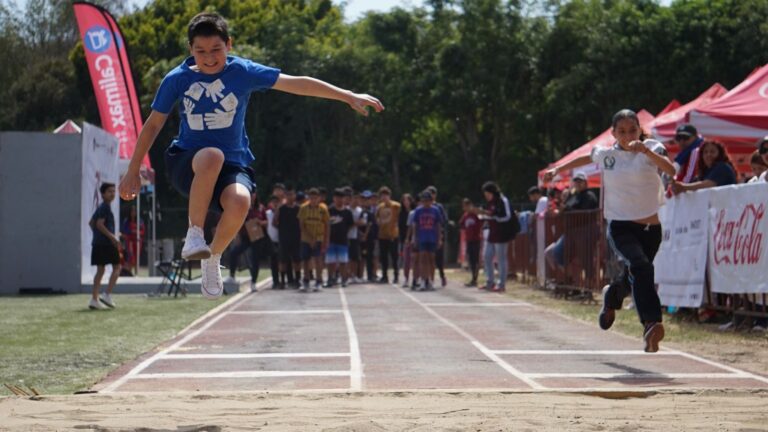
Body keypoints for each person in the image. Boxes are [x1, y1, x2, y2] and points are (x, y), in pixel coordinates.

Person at [118, 12, 384, 299]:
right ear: (190, 49)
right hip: (188, 162)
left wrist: (347, 95)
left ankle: (213, 257)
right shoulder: (177, 79)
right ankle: (194, 233)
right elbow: (154, 124)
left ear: (229, 44)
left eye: (216, 50)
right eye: (201, 51)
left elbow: (296, 83)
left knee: (241, 200)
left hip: (233, 162)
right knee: (211, 155)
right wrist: (133, 169)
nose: (209, 58)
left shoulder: (242, 72)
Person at [544, 109, 676, 353]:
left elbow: (671, 170)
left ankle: (611, 298)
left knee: (635, 273)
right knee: (640, 265)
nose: (628, 136)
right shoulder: (608, 155)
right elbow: (585, 158)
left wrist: (645, 150)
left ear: (639, 130)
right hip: (620, 226)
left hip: (651, 228)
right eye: (622, 132)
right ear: (613, 133)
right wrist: (558, 169)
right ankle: (651, 323)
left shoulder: (653, 148)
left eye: (632, 130)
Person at [544, 172, 598, 276]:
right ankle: (571, 281)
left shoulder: (589, 196)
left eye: (580, 181)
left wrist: (566, 209)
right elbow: (565, 208)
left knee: (586, 260)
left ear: (585, 183)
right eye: (576, 181)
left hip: (585, 232)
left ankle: (588, 287)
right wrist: (560, 209)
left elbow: (584, 211)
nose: (577, 183)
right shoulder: (573, 195)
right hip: (571, 233)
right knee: (554, 253)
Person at [225, 191, 266, 292]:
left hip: (257, 237)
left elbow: (266, 221)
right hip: (245, 236)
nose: (252, 196)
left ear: (256, 195)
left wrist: (259, 222)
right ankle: (232, 275)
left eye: (253, 194)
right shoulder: (242, 206)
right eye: (250, 194)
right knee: (234, 252)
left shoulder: (260, 208)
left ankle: (253, 282)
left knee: (255, 260)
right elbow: (237, 221)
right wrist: (237, 235)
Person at [88, 183, 121, 310]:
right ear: (103, 194)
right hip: (106, 244)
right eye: (109, 191)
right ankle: (106, 294)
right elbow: (99, 224)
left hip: (99, 243)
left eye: (113, 191)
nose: (112, 194)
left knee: (100, 270)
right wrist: (113, 237)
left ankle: (94, 299)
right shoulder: (105, 207)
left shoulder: (102, 207)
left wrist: (98, 236)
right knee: (117, 267)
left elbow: (91, 223)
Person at [480, 181, 516, 293]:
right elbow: (491, 214)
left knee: (501, 258)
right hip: (492, 232)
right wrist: (484, 216)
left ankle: (502, 284)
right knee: (487, 256)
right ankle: (490, 281)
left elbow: (507, 216)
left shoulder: (502, 200)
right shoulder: (490, 202)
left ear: (492, 192)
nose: (486, 196)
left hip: (502, 233)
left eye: (487, 194)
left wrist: (494, 217)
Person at [671, 140, 737, 194]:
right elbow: (694, 184)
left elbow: (708, 184)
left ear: (720, 154)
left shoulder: (722, 167)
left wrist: (683, 187)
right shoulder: (704, 172)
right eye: (705, 152)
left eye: (712, 152)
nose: (708, 154)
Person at [298, 188, 330, 291]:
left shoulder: (323, 209)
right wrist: (310, 238)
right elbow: (301, 225)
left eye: (315, 198)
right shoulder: (303, 208)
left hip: (319, 238)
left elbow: (327, 225)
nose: (313, 200)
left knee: (318, 260)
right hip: (306, 238)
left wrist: (326, 239)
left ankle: (319, 281)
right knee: (306, 260)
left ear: (319, 198)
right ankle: (306, 280)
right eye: (311, 198)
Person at [411, 191, 443, 291]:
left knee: (431, 259)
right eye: (424, 201)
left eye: (428, 201)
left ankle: (431, 281)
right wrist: (415, 238)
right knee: (423, 259)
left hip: (432, 238)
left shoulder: (435, 210)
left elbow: (438, 225)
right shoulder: (418, 211)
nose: (426, 203)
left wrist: (439, 238)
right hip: (422, 238)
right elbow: (415, 225)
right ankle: (423, 280)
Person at [325, 189, 355, 287]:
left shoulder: (347, 212)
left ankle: (344, 279)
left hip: (343, 240)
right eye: (337, 198)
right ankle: (330, 278)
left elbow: (351, 224)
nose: (340, 200)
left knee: (343, 261)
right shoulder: (329, 210)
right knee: (330, 261)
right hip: (331, 239)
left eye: (342, 198)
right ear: (334, 198)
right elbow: (325, 224)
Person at [275, 187, 302, 289]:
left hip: (296, 237)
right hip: (284, 238)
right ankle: (282, 281)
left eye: (292, 194)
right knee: (283, 261)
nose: (290, 197)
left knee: (297, 260)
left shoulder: (299, 208)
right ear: (285, 196)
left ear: (295, 196)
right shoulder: (281, 209)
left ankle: (297, 280)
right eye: (288, 195)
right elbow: (274, 222)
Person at [376, 186, 401, 284]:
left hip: (393, 234)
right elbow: (377, 218)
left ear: (389, 196)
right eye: (382, 196)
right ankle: (384, 276)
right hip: (382, 234)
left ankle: (396, 276)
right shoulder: (379, 207)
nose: (384, 197)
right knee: (383, 257)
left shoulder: (396, 206)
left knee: (394, 257)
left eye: (386, 195)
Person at [426, 186, 449, 287]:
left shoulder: (438, 207)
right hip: (427, 234)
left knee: (439, 257)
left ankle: (442, 275)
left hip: (437, 234)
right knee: (427, 257)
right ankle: (428, 278)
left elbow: (444, 220)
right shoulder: (424, 207)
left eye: (432, 194)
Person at [459, 198, 482, 287]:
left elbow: (482, 221)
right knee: (471, 259)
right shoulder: (465, 216)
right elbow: (461, 224)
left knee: (475, 259)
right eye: (464, 206)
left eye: (466, 206)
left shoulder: (475, 214)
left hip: (476, 239)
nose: (465, 208)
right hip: (469, 240)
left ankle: (475, 278)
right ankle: (473, 278)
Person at [121, 206, 145, 276]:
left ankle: (136, 273)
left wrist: (137, 232)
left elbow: (143, 231)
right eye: (132, 211)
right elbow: (125, 231)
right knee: (131, 257)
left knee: (136, 257)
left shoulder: (140, 221)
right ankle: (129, 272)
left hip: (138, 241)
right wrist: (132, 231)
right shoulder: (127, 221)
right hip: (129, 241)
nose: (133, 213)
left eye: (134, 211)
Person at [359, 190, 377, 282]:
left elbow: (370, 225)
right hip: (362, 237)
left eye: (368, 199)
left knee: (370, 256)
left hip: (370, 237)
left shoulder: (371, 212)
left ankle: (371, 275)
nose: (366, 201)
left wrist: (366, 235)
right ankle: (360, 275)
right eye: (364, 199)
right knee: (362, 256)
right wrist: (362, 234)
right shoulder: (361, 211)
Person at [399, 193, 416, 288]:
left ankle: (415, 278)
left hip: (414, 238)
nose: (406, 202)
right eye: (404, 200)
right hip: (404, 239)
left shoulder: (414, 212)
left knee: (414, 260)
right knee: (406, 260)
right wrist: (404, 238)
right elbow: (402, 227)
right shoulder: (401, 213)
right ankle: (406, 278)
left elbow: (412, 227)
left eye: (407, 200)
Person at [348, 190, 364, 283]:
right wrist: (355, 223)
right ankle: (347, 275)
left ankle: (354, 275)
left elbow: (362, 222)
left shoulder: (360, 210)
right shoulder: (347, 209)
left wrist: (354, 223)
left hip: (355, 235)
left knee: (355, 257)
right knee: (347, 258)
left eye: (358, 199)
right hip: (346, 235)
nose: (356, 200)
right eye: (355, 198)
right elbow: (346, 223)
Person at [265, 195, 281, 289]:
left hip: (281, 240)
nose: (275, 204)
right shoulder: (267, 213)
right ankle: (275, 281)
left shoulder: (281, 212)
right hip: (271, 240)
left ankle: (283, 280)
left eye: (277, 202)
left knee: (282, 262)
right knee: (273, 262)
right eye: (273, 202)